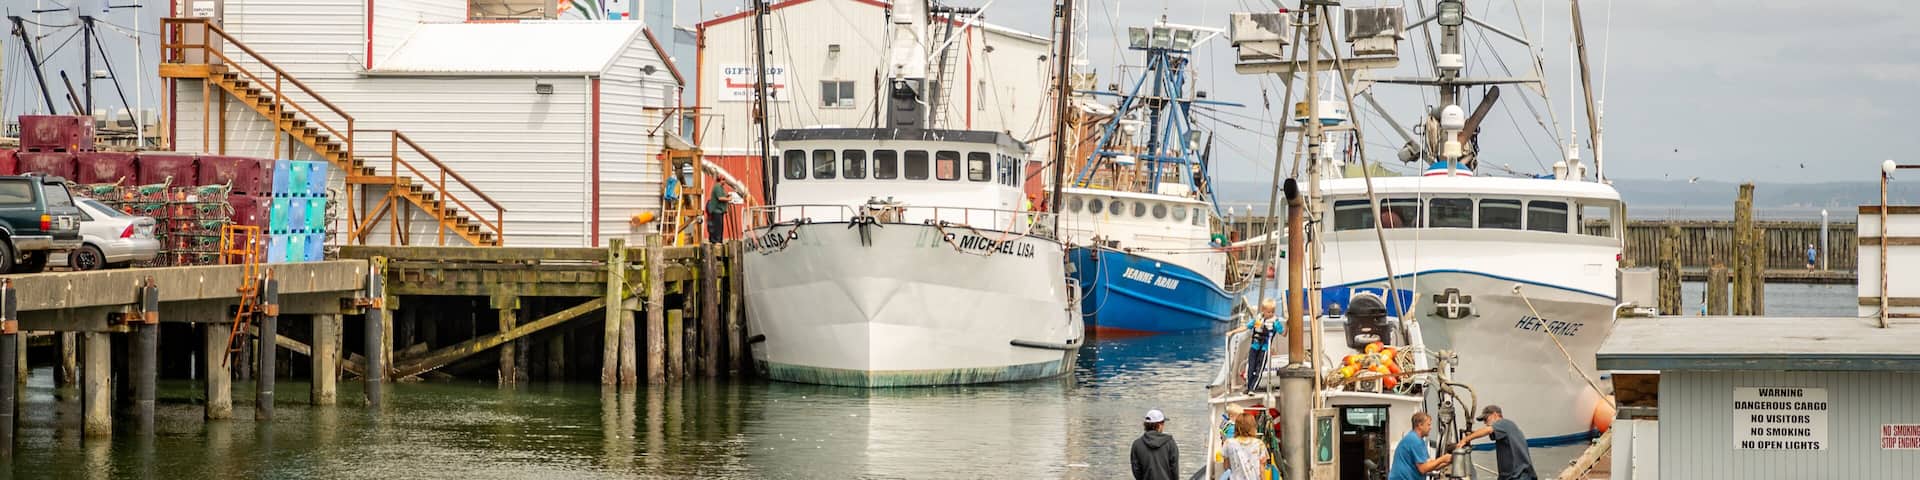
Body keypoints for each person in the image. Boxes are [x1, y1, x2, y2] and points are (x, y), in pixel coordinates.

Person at [1454, 405, 1537, 480]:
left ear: (1495, 415)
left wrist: (1465, 439)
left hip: (1520, 476)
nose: (1485, 423)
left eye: (1486, 419)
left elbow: (1488, 430)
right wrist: (1472, 434)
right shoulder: (1505, 428)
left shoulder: (1504, 423)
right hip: (1509, 476)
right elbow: (1488, 432)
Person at [1390, 412, 1453, 480]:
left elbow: (1430, 464)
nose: (1430, 428)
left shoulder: (1419, 440)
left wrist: (1450, 460)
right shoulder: (1414, 440)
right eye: (1428, 425)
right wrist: (1442, 459)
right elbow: (1423, 469)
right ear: (1420, 425)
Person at [1215, 410, 1270, 480]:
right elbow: (1261, 469)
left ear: (1236, 427)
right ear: (1253, 427)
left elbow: (1226, 466)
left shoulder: (1228, 443)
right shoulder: (1259, 444)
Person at [1131, 409, 1179, 480]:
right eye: (1163, 423)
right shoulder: (1170, 443)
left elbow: (1136, 471)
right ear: (1159, 425)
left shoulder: (1136, 444)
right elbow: (1174, 469)